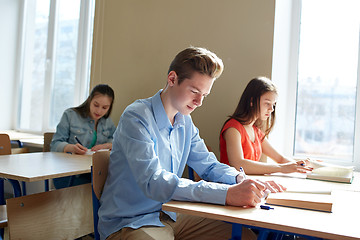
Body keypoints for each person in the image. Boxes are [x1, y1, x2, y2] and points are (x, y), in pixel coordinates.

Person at [98, 47, 285, 240]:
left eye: (204, 95)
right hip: (131, 222)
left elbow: (209, 166)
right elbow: (153, 182)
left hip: (171, 214)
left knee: (246, 237)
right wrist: (226, 194)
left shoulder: (185, 121)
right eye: (194, 91)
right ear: (172, 79)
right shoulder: (137, 116)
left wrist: (241, 180)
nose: (199, 102)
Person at [220, 77, 312, 175]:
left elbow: (280, 159)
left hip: (249, 184)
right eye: (267, 103)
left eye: (273, 104)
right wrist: (281, 168)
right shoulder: (233, 129)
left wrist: (305, 166)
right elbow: (238, 164)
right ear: (251, 101)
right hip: (231, 185)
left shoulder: (256, 131)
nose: (271, 109)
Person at [50, 84, 116, 187]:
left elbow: (117, 142)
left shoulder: (108, 122)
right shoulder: (70, 115)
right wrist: (71, 148)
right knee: (99, 190)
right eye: (96, 105)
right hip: (70, 174)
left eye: (104, 107)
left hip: (95, 173)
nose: (99, 111)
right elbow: (54, 144)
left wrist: (106, 146)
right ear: (89, 100)